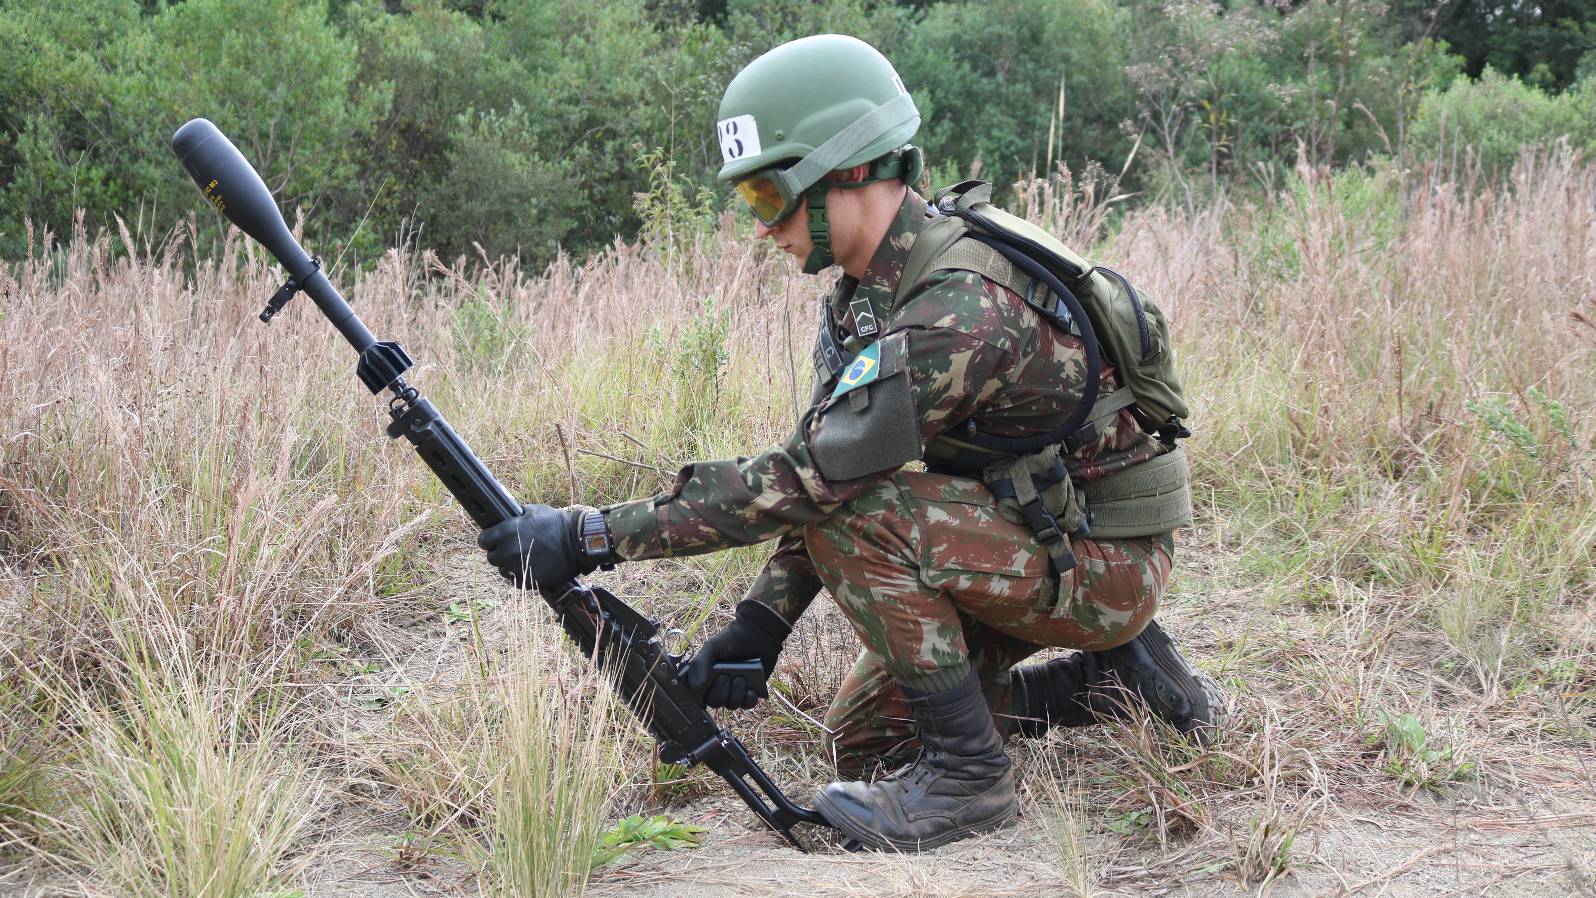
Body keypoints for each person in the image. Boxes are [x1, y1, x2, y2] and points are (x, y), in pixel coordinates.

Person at [477, 33, 1222, 853]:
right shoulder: (870, 297)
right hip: (1037, 533)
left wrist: (591, 536)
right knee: (864, 742)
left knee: (861, 519)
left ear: (848, 171)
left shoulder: (955, 310)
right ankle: (1106, 680)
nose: (763, 229)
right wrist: (761, 622)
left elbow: (814, 484)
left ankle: (972, 779)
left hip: (1103, 560)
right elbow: (831, 466)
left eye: (769, 196)